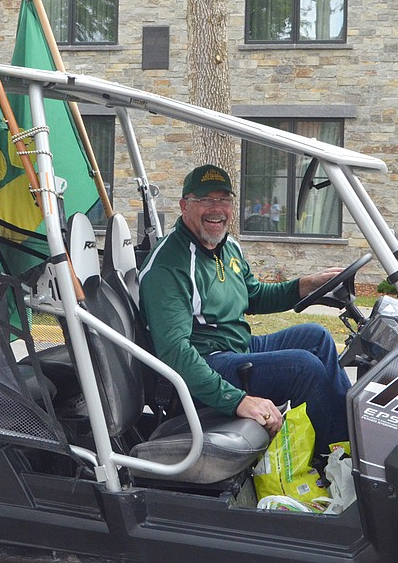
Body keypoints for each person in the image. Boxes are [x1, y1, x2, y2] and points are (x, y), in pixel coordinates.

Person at [139, 164, 352, 455]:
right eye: (206, 200)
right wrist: (237, 400)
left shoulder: (227, 248)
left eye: (224, 200)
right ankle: (334, 459)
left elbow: (253, 296)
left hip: (236, 348)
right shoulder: (169, 265)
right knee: (304, 368)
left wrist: (306, 284)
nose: (217, 209)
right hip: (205, 366)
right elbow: (175, 352)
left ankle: (347, 439)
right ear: (184, 206)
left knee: (317, 337)